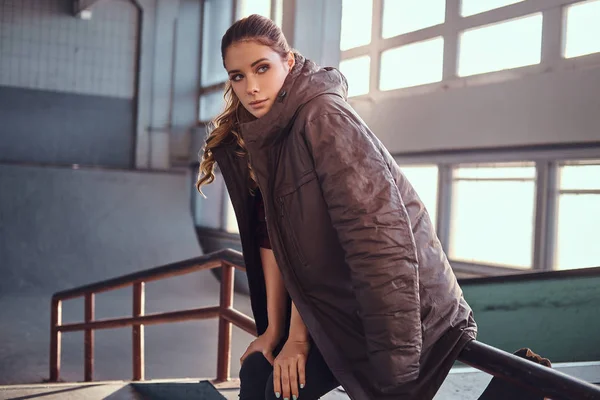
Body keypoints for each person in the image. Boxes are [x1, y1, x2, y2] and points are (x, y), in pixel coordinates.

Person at [196, 14, 477, 400]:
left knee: (281, 393)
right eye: (238, 76)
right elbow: (275, 240)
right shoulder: (264, 135)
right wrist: (274, 332)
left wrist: (299, 338)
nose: (252, 87)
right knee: (257, 370)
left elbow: (372, 240)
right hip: (333, 307)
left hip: (398, 310)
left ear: (288, 62)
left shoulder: (323, 117)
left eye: (262, 68)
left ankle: (523, 388)